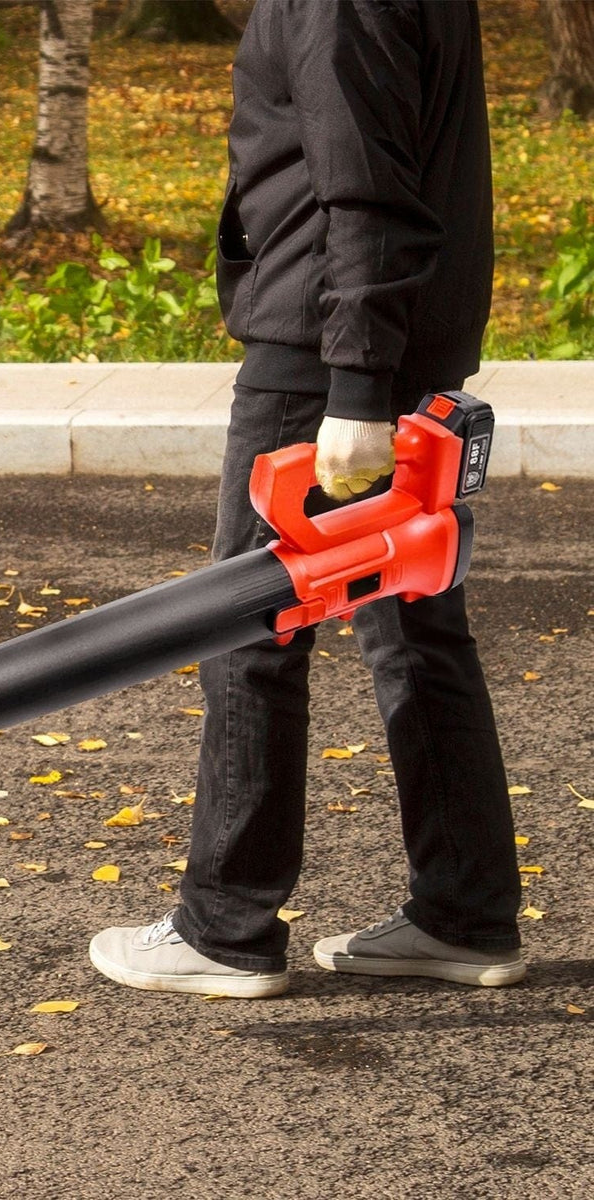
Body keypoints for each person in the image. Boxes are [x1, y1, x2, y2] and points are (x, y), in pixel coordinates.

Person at [89, 0, 524, 997]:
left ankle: (224, 928)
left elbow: (365, 186)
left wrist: (356, 391)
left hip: (326, 357)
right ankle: (466, 913)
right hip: (398, 340)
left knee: (253, 624)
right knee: (415, 625)